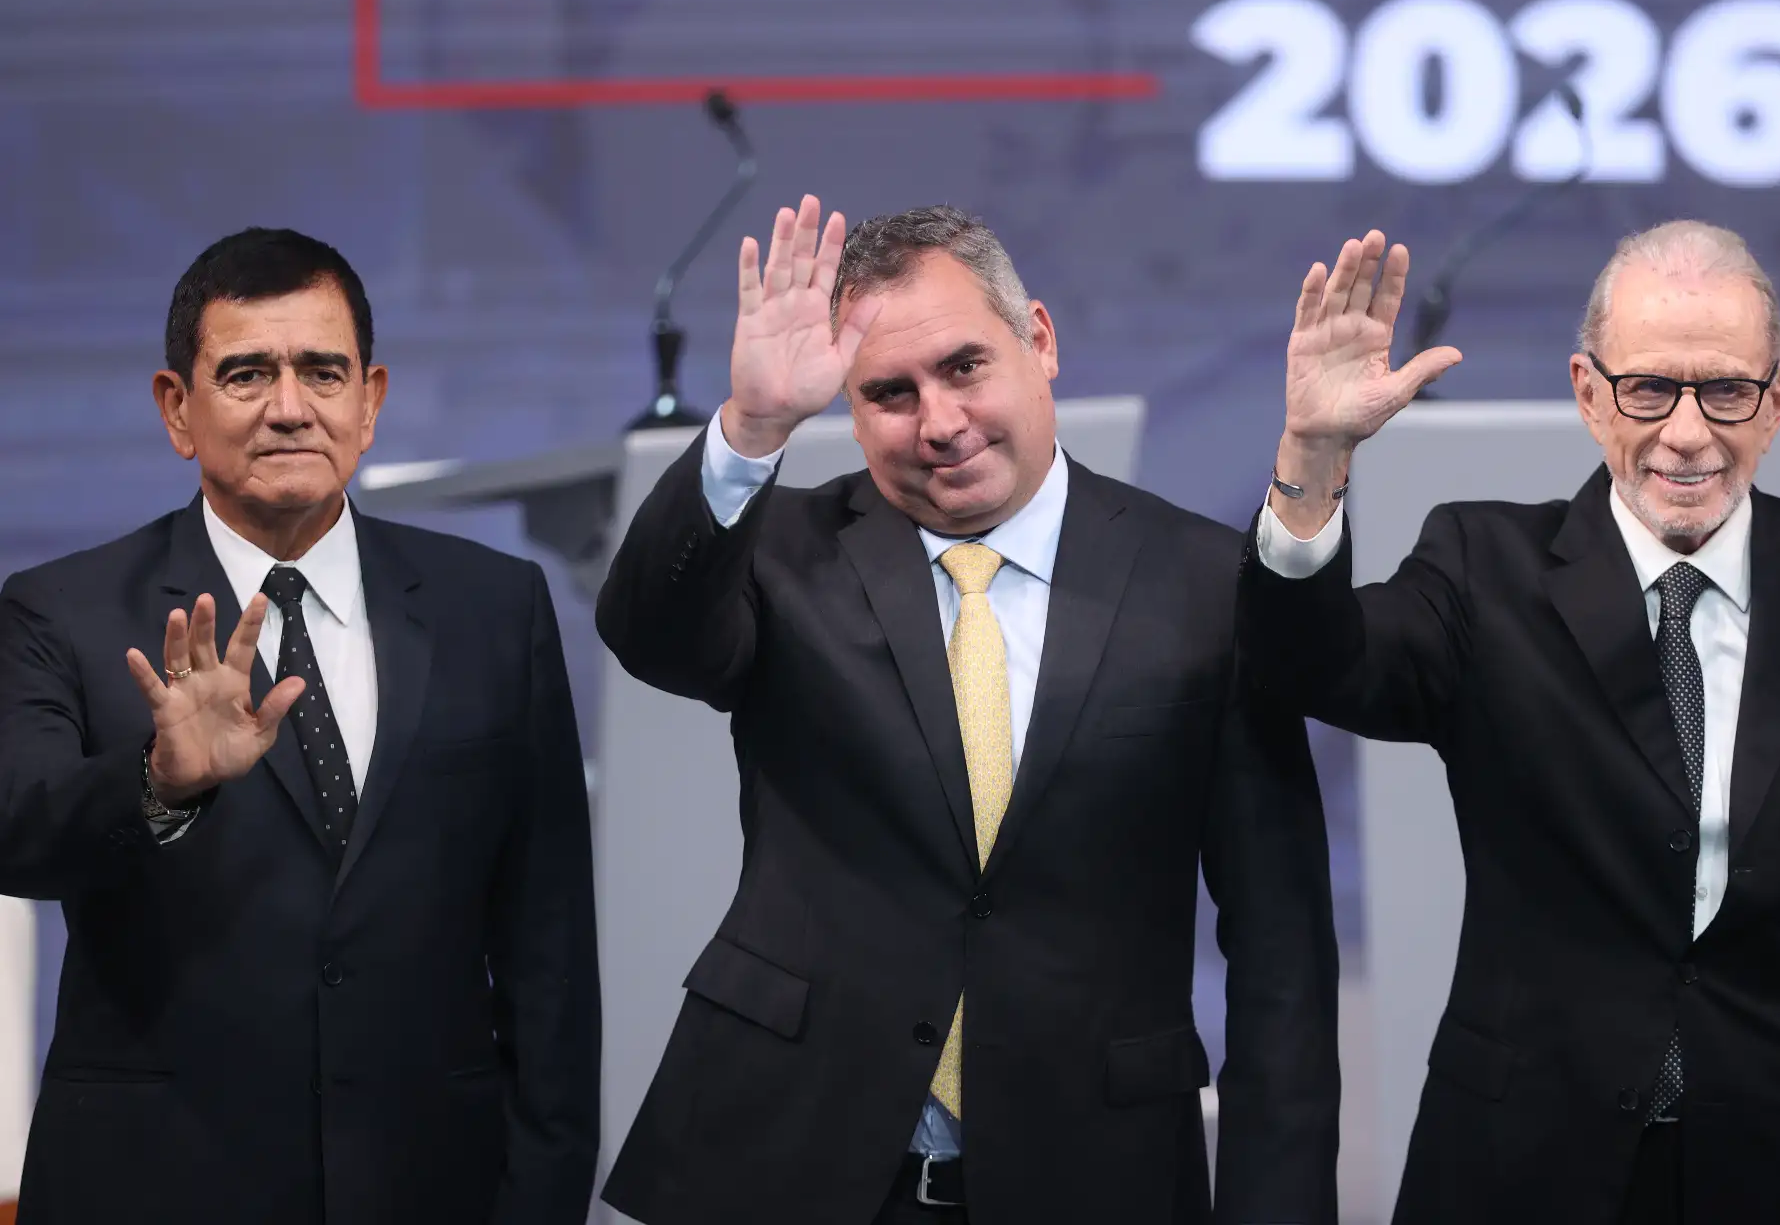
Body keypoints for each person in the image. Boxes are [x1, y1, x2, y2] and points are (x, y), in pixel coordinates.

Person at [595, 199, 1339, 1224]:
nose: (939, 423)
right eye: (889, 393)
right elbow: (651, 634)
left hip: (1093, 1178)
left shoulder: (1209, 582)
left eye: (963, 367)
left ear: (1040, 340)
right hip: (786, 1164)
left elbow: (1281, 950)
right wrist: (752, 429)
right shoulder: (779, 550)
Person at [1243, 220, 1780, 1224]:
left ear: (1776, 400)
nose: (1686, 432)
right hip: (1521, 1164)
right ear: (1588, 392)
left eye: (1725, 391)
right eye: (1648, 388)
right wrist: (1314, 452)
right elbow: (1314, 662)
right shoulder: (1483, 567)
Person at [0, 228, 601, 1224]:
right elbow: (17, 833)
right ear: (177, 409)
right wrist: (159, 780)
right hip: (157, 1187)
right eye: (246, 374)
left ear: (370, 401)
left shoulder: (495, 607)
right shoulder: (62, 609)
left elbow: (550, 950)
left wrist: (542, 1198)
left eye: (323, 371)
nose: (289, 406)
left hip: (432, 1186)